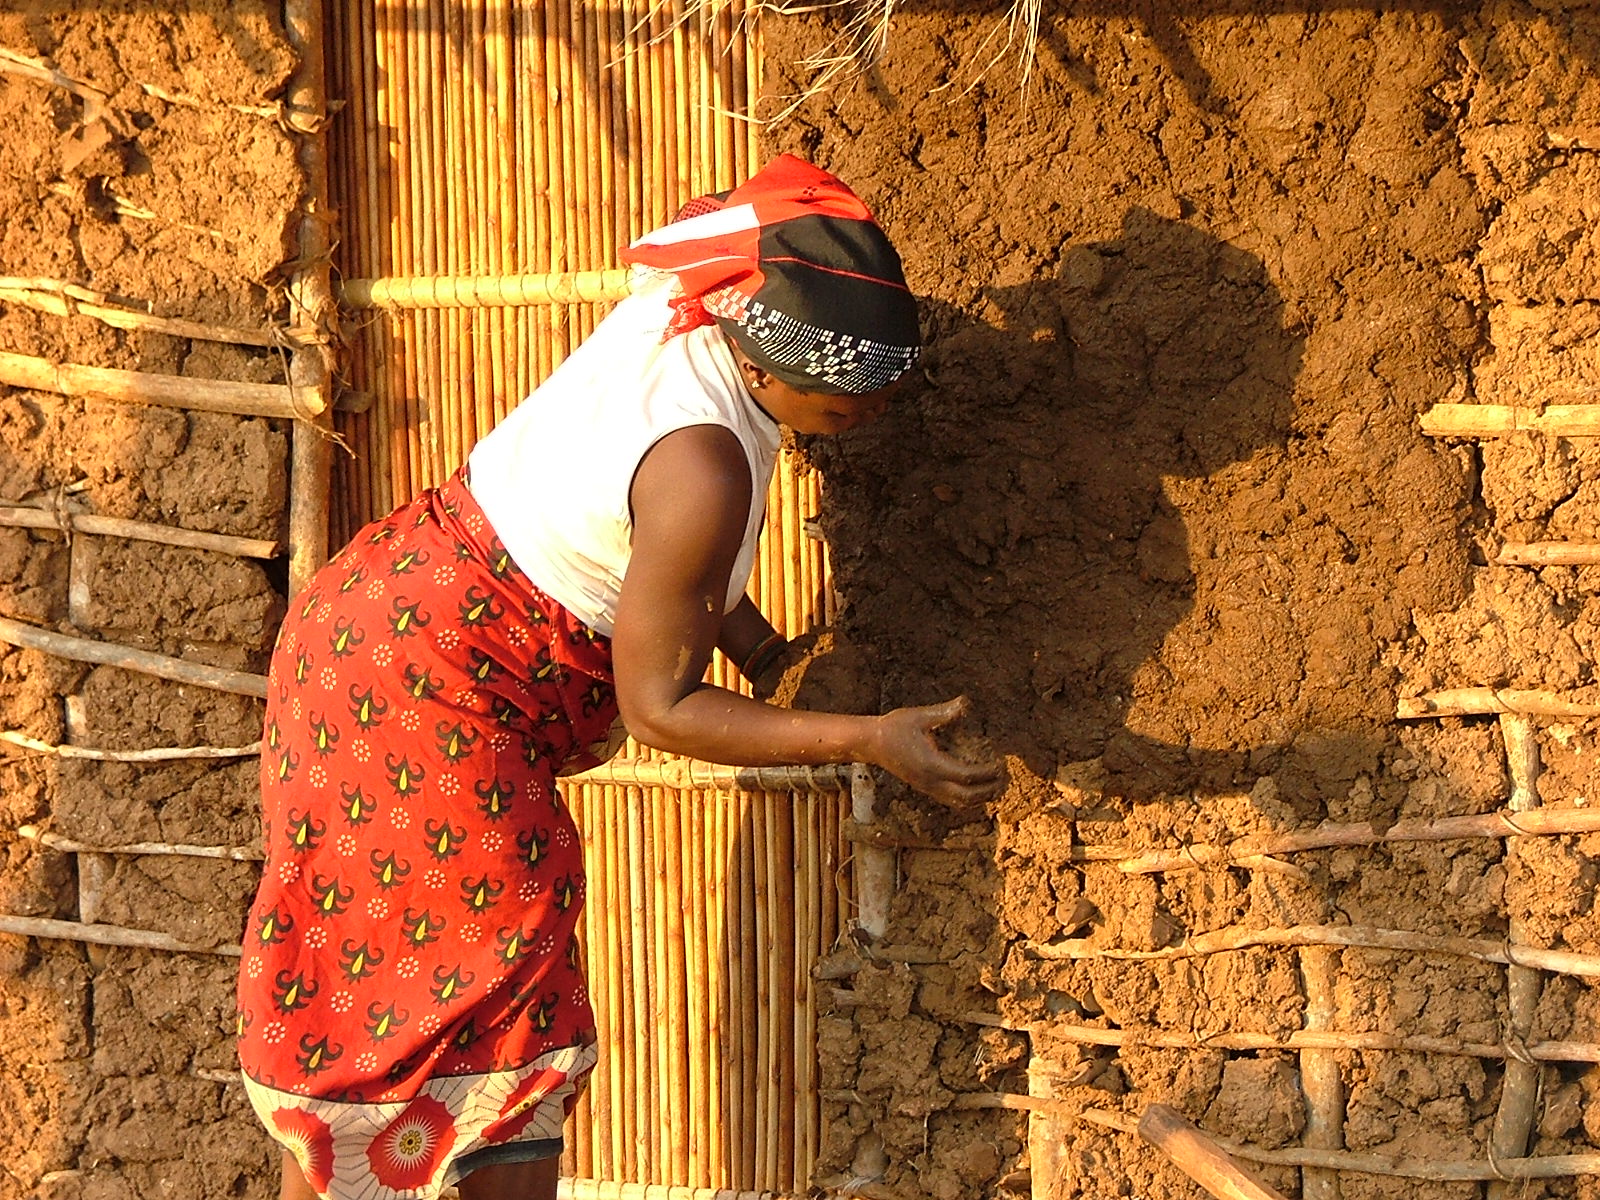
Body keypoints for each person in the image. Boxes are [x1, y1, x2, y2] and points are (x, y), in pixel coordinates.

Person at [235, 154, 1002, 1200]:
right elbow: (661, 704)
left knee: (390, 993)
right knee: (472, 985)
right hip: (423, 700)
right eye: (843, 401)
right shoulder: (706, 463)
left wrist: (775, 660)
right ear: (767, 367)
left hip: (366, 630)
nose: (864, 419)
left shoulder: (683, 325)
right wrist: (865, 736)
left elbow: (652, 562)